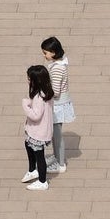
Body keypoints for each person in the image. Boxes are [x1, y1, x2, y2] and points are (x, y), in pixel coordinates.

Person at [41, 36, 74, 173]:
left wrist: (42, 93)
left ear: (53, 53)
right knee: (55, 134)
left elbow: (55, 91)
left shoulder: (57, 69)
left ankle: (60, 164)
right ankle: (56, 157)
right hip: (60, 104)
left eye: (46, 53)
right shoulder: (60, 64)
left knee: (57, 136)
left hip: (57, 106)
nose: (44, 55)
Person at [22, 65, 55, 191]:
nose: (28, 81)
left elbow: (36, 116)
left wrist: (25, 105)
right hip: (41, 130)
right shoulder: (47, 92)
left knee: (39, 156)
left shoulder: (39, 97)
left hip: (38, 131)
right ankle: (32, 170)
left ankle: (42, 181)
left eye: (30, 79)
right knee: (27, 145)